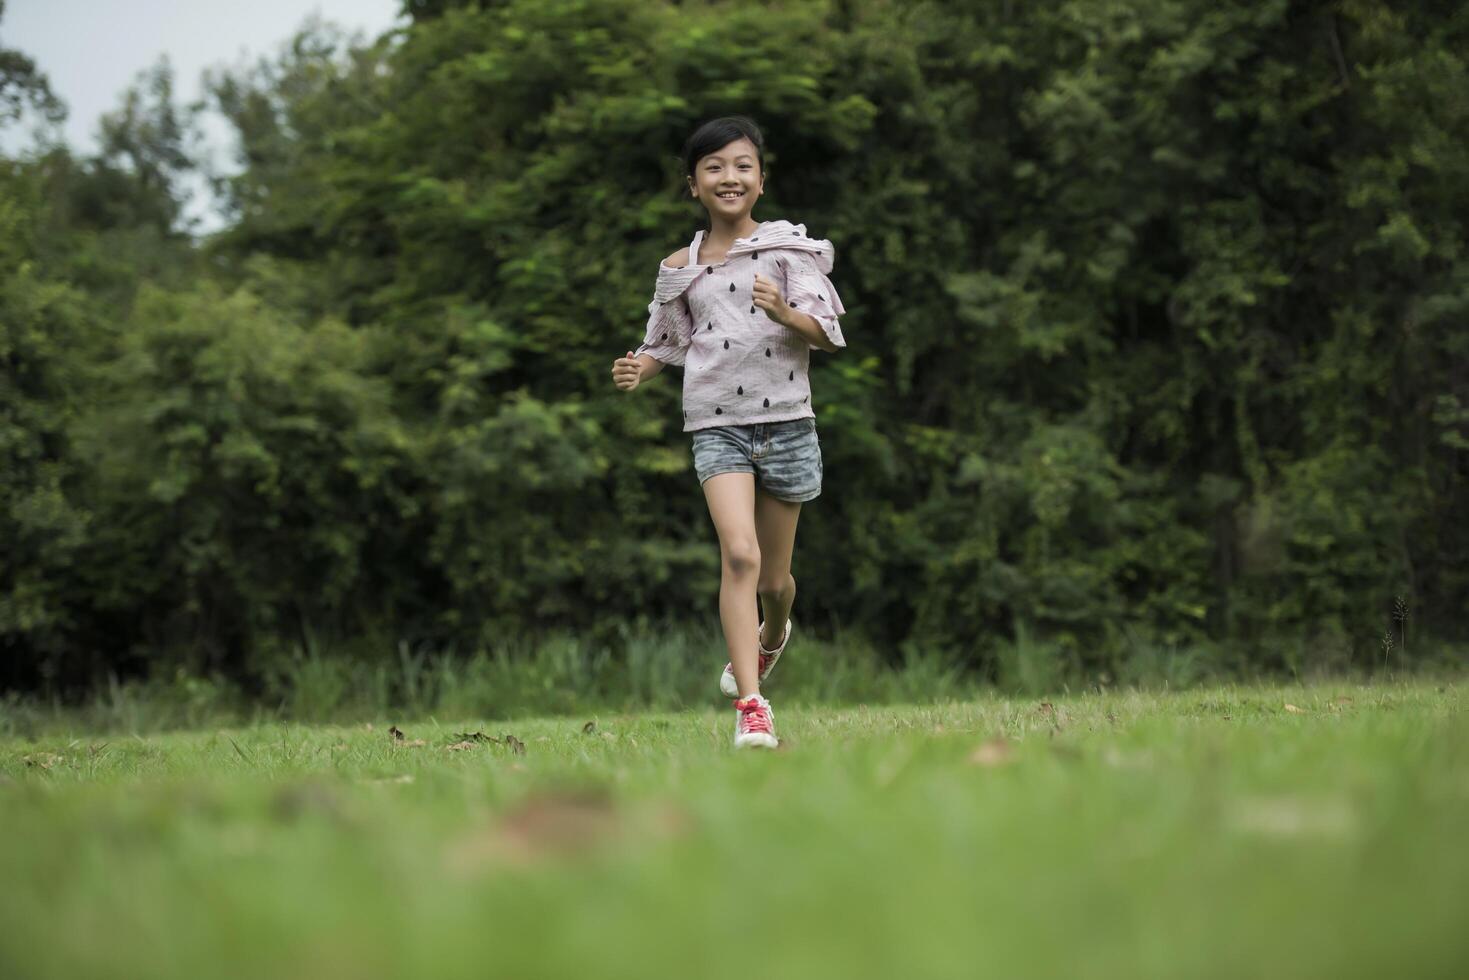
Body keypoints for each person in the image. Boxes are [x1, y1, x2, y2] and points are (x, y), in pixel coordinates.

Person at [609, 116, 847, 749]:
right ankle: (752, 707)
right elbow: (670, 341)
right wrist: (643, 366)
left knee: (774, 581)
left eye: (741, 165)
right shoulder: (680, 266)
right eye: (713, 167)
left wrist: (784, 311)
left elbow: (827, 334)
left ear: (761, 180)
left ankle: (773, 636)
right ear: (694, 185)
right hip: (717, 424)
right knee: (739, 556)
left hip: (787, 422)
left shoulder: (787, 252)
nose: (729, 177)